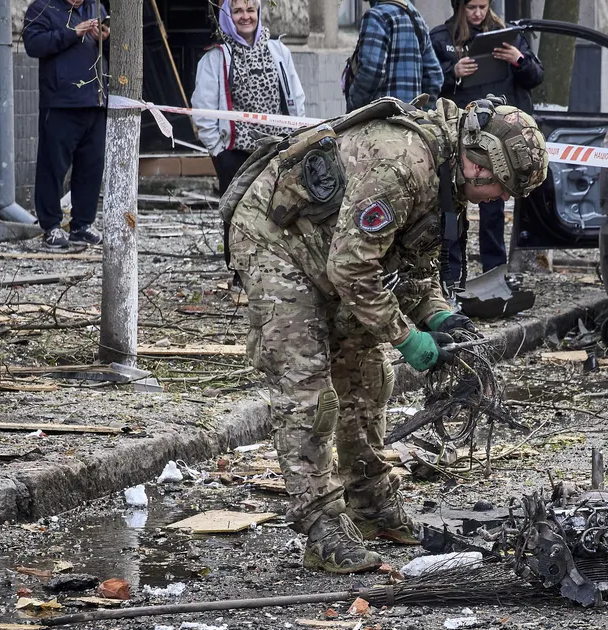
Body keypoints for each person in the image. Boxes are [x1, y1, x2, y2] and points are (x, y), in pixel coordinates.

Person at [225, 95, 547, 573]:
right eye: (501, 188)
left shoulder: (445, 179)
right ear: (479, 163)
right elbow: (353, 268)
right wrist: (407, 337)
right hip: (278, 245)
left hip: (334, 254)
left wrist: (439, 318)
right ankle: (321, 529)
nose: (500, 200)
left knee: (370, 376)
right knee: (309, 391)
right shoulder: (402, 166)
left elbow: (412, 267)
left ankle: (371, 505)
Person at [430, 0, 544, 286]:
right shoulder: (441, 39)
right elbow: (429, 83)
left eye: (483, 6)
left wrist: (518, 59)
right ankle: (451, 276)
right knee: (451, 207)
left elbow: (535, 76)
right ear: (459, 7)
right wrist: (453, 73)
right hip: (458, 140)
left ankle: (495, 274)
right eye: (471, 7)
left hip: (499, 141)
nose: (478, 13)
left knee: (493, 207)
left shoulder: (507, 34)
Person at [192, 0, 306, 195]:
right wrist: (219, 152)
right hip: (236, 158)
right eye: (237, 11)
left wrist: (297, 137)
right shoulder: (216, 58)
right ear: (227, 15)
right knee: (237, 220)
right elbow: (203, 111)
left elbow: (295, 98)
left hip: (278, 152)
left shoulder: (278, 51)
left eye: (250, 10)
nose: (245, 16)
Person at [23, 0, 110, 250]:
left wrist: (106, 37)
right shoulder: (42, 8)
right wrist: (72, 33)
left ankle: (82, 225)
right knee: (53, 167)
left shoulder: (95, 7)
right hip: (60, 102)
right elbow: (34, 45)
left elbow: (111, 49)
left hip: (95, 100)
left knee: (91, 168)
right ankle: (51, 226)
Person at [344, 0, 443, 111]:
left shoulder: (376, 16)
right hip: (411, 122)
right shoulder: (415, 16)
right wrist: (421, 112)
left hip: (381, 121)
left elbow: (371, 71)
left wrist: (353, 108)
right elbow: (435, 76)